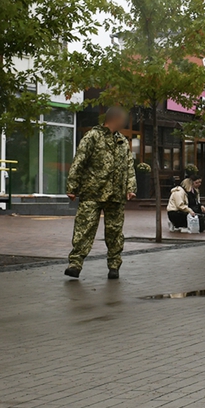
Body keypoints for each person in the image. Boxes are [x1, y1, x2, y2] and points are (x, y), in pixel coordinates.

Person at [63, 107, 137, 280]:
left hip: (116, 194)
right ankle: (75, 264)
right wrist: (72, 187)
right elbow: (79, 162)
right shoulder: (92, 137)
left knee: (115, 231)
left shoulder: (122, 141)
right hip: (93, 191)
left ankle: (114, 265)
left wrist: (131, 187)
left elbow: (129, 167)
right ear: (114, 118)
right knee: (84, 228)